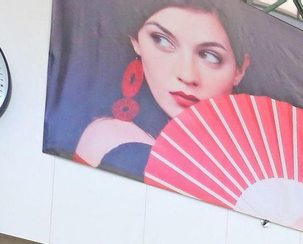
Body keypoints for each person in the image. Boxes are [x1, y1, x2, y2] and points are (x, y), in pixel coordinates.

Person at [72, 2, 250, 174]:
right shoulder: (107, 138)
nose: (187, 75)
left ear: (240, 70)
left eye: (210, 56)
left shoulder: (244, 167)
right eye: (163, 41)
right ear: (136, 40)